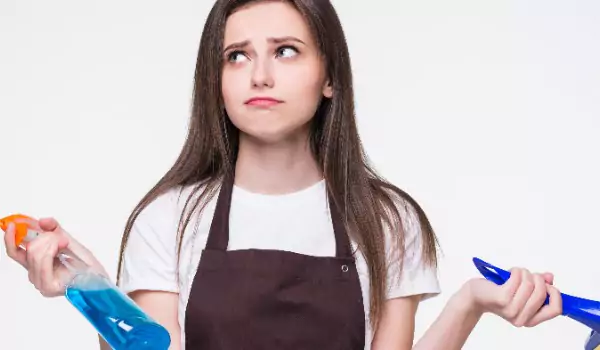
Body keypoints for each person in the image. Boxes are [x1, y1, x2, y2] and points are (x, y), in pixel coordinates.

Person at [3, 0, 563, 349]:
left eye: (287, 51)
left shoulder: (385, 220)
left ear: (330, 79)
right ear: (216, 82)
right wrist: (93, 287)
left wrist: (469, 303)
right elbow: (148, 348)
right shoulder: (169, 218)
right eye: (237, 56)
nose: (260, 75)